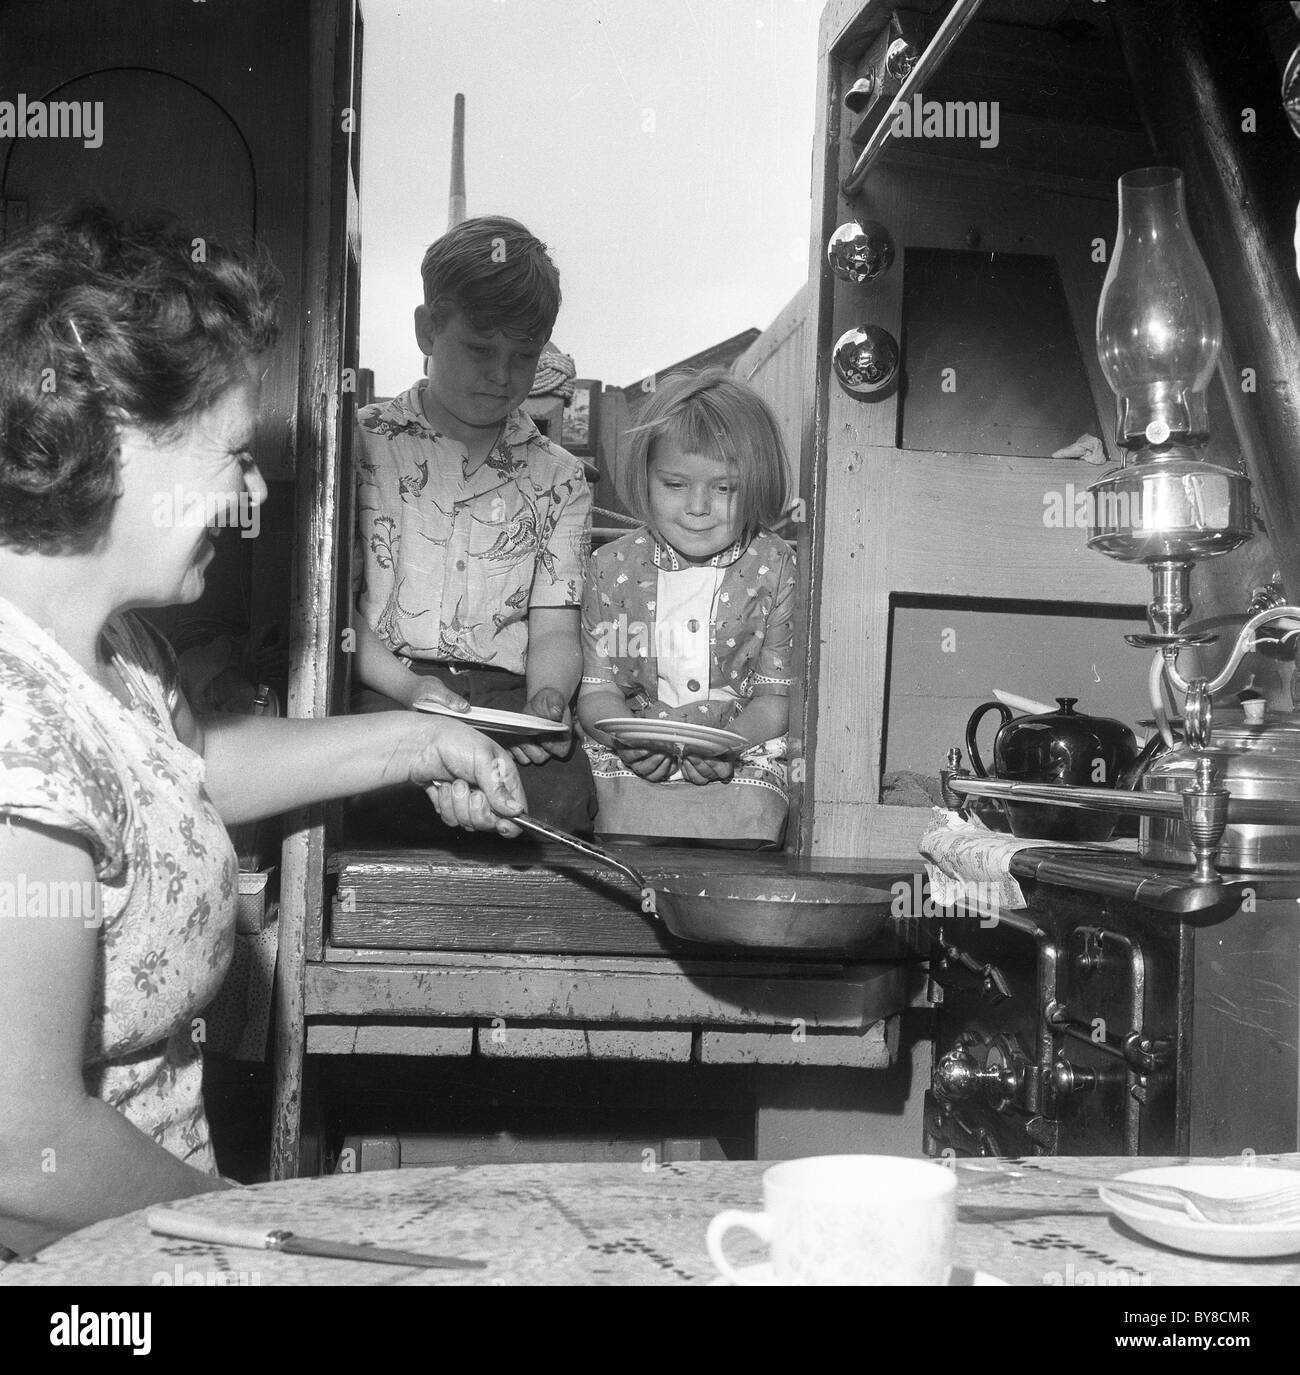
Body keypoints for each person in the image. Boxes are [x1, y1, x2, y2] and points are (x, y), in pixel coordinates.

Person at [0, 205, 526, 1258]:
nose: (250, 496)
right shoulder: (15, 736)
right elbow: (19, 1146)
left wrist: (419, 741)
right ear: (113, 439)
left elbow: (182, 774)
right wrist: (256, 1231)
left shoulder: (120, 650)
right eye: (235, 456)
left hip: (154, 1239)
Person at [350, 215, 597, 838]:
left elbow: (555, 629)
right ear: (427, 329)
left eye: (524, 356)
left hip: (500, 701)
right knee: (363, 788)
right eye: (480, 349)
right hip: (383, 681)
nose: (501, 375)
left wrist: (549, 698)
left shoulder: (561, 479)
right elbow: (332, 617)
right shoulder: (356, 445)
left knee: (562, 797)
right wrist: (410, 691)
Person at [576, 368, 797, 846]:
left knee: (745, 830)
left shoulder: (777, 566)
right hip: (630, 762)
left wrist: (730, 743)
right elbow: (596, 692)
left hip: (741, 759)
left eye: (724, 488)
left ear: (758, 483)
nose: (698, 507)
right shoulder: (607, 568)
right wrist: (625, 739)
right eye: (675, 484)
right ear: (646, 477)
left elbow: (775, 698)